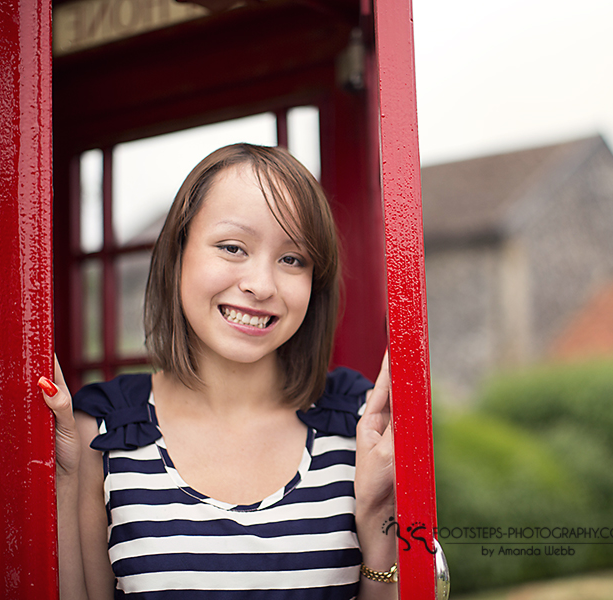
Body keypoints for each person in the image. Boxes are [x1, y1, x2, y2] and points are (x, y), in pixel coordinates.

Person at [38, 144, 398, 599]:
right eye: (232, 248)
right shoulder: (104, 433)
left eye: (292, 259)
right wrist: (64, 479)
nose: (261, 285)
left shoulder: (360, 426)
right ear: (179, 252)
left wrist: (380, 529)